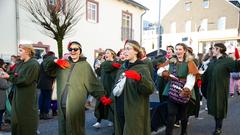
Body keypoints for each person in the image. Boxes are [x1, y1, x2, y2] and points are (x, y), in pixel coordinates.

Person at [43, 41, 111, 135]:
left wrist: (102, 96)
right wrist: (55, 60)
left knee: (76, 129)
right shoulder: (63, 63)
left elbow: (93, 83)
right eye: (70, 49)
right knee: (63, 129)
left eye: (75, 49)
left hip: (75, 105)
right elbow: (46, 66)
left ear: (80, 51)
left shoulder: (85, 66)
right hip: (61, 103)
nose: (73, 51)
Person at [113, 40, 154, 135]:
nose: (125, 51)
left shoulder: (142, 68)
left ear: (136, 51)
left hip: (134, 109)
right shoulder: (123, 67)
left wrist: (139, 79)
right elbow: (116, 86)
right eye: (124, 49)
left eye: (128, 49)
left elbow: (150, 89)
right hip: (120, 106)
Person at [157, 43, 198, 135]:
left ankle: (184, 132)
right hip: (172, 90)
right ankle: (168, 133)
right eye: (176, 49)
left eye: (180, 49)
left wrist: (187, 89)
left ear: (184, 51)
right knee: (171, 113)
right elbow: (160, 70)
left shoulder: (190, 62)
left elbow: (191, 77)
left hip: (185, 90)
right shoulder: (171, 61)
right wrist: (164, 72)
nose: (178, 51)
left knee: (183, 115)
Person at [0, 44, 40, 135]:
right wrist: (4, 72)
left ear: (28, 51)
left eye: (20, 51)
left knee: (26, 119)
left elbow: (25, 80)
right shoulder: (21, 63)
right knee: (16, 119)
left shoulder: (33, 64)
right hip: (18, 95)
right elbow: (13, 73)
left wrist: (8, 77)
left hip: (27, 97)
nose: (18, 53)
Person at [202, 43, 240, 135]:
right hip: (211, 89)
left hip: (220, 90)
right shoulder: (212, 62)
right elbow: (206, 74)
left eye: (214, 49)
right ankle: (217, 126)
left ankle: (218, 128)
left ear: (219, 49)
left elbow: (237, 66)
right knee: (214, 108)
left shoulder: (227, 61)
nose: (212, 51)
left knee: (220, 108)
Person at [37, 51, 55, 120]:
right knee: (47, 99)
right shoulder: (48, 63)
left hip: (41, 82)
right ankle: (45, 114)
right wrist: (54, 75)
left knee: (42, 98)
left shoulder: (42, 62)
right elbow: (50, 73)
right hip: (47, 83)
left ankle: (41, 113)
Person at [0, 59, 10, 131]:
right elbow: (4, 85)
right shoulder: (1, 73)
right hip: (1, 96)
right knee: (0, 112)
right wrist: (9, 82)